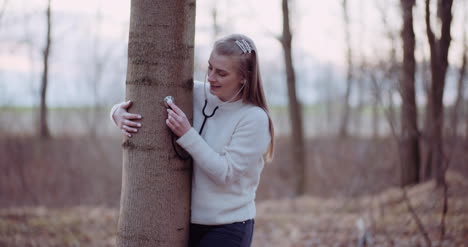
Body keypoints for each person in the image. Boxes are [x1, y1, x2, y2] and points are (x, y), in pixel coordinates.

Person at [110, 34, 274, 247]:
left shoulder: (254, 118)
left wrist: (187, 134)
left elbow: (226, 174)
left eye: (222, 73)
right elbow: (146, 97)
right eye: (210, 68)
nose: (211, 78)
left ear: (244, 77)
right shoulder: (196, 93)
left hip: (229, 226)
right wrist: (116, 113)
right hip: (186, 224)